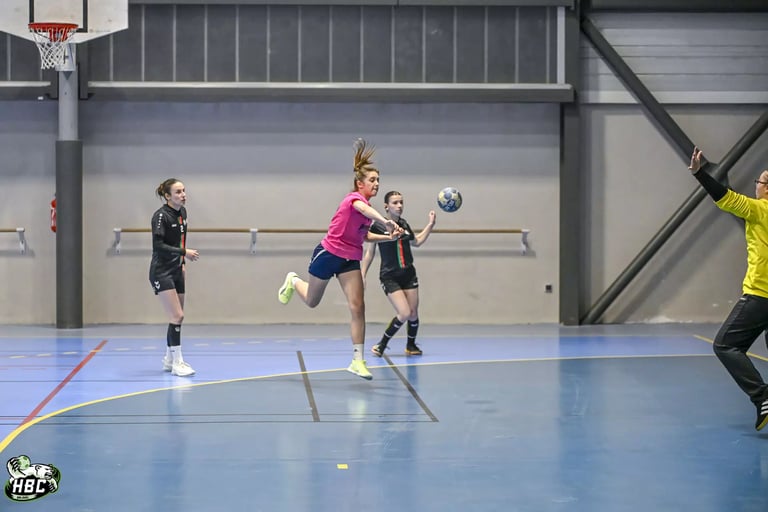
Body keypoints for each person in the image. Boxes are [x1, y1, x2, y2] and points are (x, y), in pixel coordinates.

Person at [277, 139, 404, 380]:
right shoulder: (353, 200)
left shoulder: (368, 212)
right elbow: (364, 209)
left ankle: (357, 360)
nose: (377, 184)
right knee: (312, 301)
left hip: (350, 259)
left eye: (378, 180)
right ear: (360, 184)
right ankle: (293, 280)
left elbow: (364, 236)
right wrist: (385, 221)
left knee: (358, 306)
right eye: (372, 180)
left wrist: (388, 237)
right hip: (329, 253)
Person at [689, 147, 768, 431]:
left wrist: (699, 174)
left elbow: (725, 197)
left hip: (761, 295)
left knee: (725, 345)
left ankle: (762, 396)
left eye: (759, 181)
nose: (756, 185)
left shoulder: (759, 209)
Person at [361, 191, 436, 357]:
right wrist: (363, 274)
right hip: (389, 276)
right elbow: (370, 252)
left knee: (413, 313)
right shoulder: (378, 226)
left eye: (401, 202)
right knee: (404, 313)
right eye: (395, 203)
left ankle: (411, 345)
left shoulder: (404, 224)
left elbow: (417, 242)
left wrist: (430, 225)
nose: (399, 206)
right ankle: (381, 344)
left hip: (408, 274)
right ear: (386, 206)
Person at [150, 178, 200, 377]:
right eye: (178, 192)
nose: (183, 195)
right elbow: (158, 245)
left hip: (178, 269)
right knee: (177, 315)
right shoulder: (161, 216)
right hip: (161, 271)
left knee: (177, 318)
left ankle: (169, 359)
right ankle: (178, 362)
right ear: (167, 196)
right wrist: (184, 252)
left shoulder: (183, 213)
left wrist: (182, 263)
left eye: (184, 191)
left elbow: (180, 238)